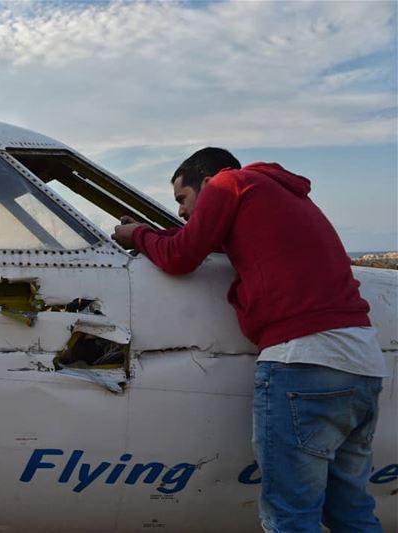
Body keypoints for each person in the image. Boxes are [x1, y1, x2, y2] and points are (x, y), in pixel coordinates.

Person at [111, 147, 387, 533]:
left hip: (302, 362)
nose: (181, 212)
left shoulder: (228, 184)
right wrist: (153, 234)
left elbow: (181, 256)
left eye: (183, 199)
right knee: (350, 513)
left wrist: (135, 235)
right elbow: (200, 240)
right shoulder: (276, 196)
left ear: (206, 183)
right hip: (363, 366)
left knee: (290, 518)